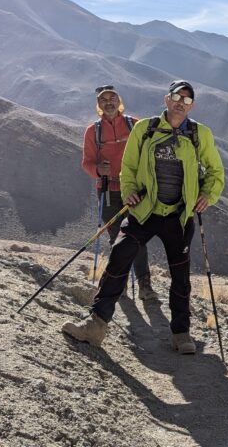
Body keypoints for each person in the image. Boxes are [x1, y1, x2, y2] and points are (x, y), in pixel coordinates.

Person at [63, 80, 226, 355]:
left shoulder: (201, 134)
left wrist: (208, 195)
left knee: (180, 274)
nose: (180, 103)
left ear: (192, 105)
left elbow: (215, 171)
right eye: (176, 97)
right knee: (118, 257)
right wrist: (128, 193)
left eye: (186, 100)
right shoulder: (145, 128)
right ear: (166, 98)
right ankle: (96, 325)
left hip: (179, 213)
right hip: (145, 209)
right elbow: (129, 167)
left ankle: (181, 333)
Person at [80, 85, 158, 302]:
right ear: (99, 105)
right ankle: (119, 286)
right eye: (103, 99)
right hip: (107, 191)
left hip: (134, 191)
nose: (108, 102)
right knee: (117, 239)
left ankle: (145, 286)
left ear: (119, 101)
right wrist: (97, 170)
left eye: (112, 98)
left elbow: (149, 153)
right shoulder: (92, 131)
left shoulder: (135, 125)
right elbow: (86, 162)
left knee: (137, 238)